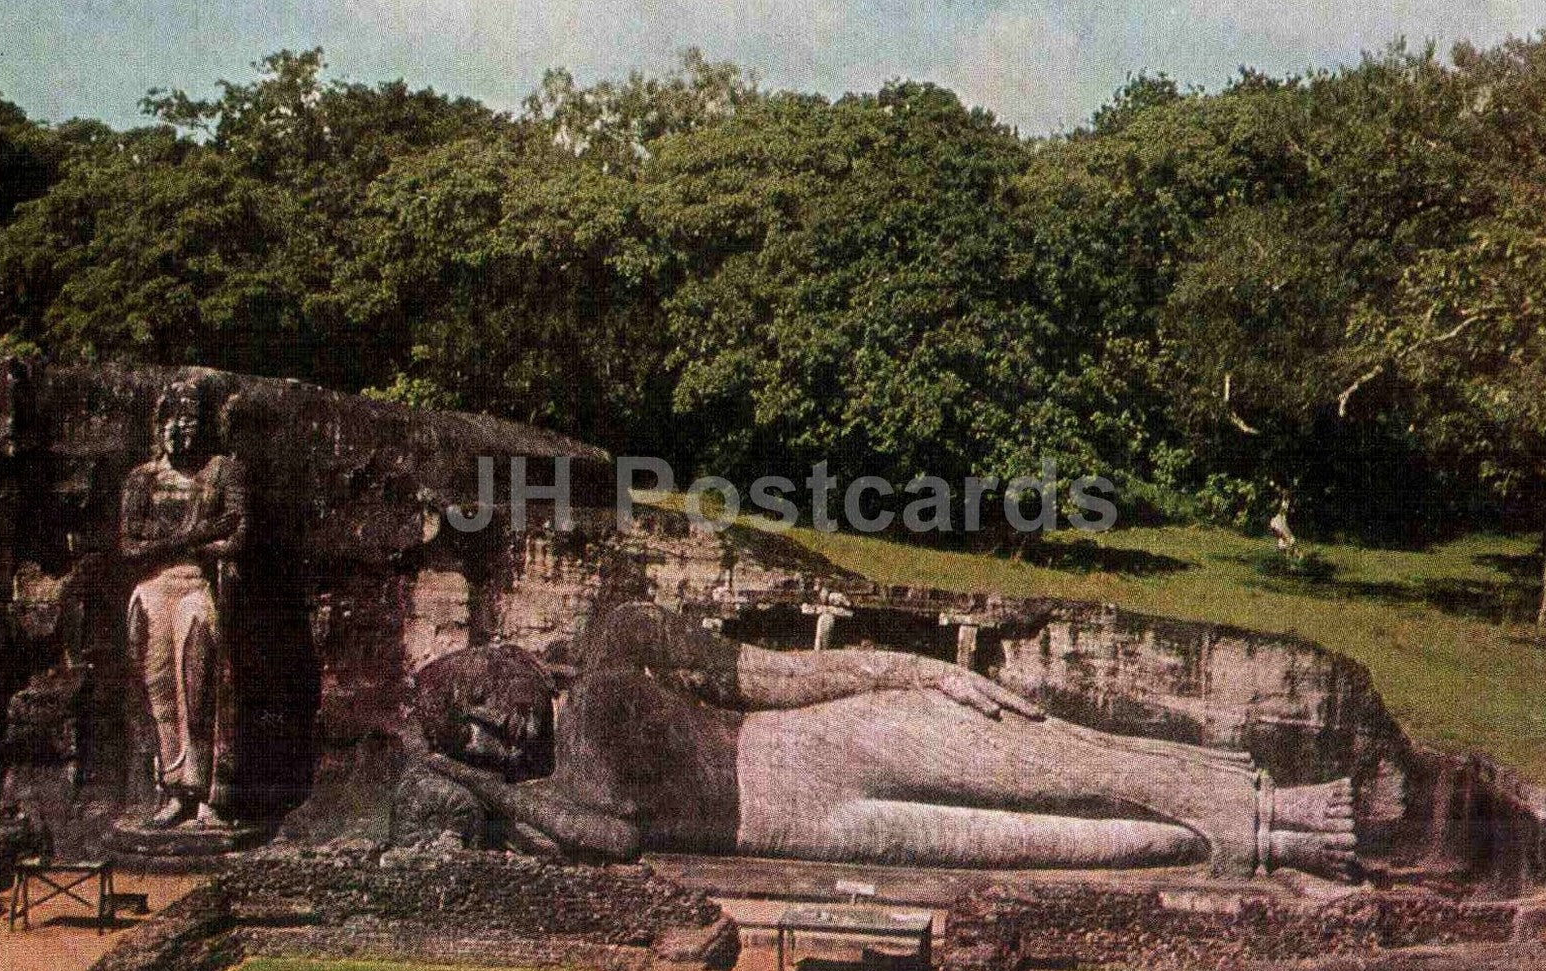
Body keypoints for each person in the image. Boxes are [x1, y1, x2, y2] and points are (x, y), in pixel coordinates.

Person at [421, 603, 1357, 880]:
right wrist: (483, 786)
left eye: (477, 697)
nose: (493, 727)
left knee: (1052, 765)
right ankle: (1262, 840)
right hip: (798, 829)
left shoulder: (617, 642)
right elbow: (619, 838)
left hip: (812, 744)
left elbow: (784, 675)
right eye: (469, 739)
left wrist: (919, 671)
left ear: (499, 656)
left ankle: (1262, 800)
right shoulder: (550, 800)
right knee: (1055, 843)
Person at [120, 376, 247, 828]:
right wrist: (191, 537)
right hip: (154, 587)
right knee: (158, 690)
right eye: (171, 419)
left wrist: (189, 544)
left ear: (206, 424)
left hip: (196, 585)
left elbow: (237, 536)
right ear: (159, 424)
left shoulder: (222, 471)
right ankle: (174, 790)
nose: (179, 429)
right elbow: (128, 546)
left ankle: (209, 791)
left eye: (190, 419)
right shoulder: (143, 478)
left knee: (199, 685)